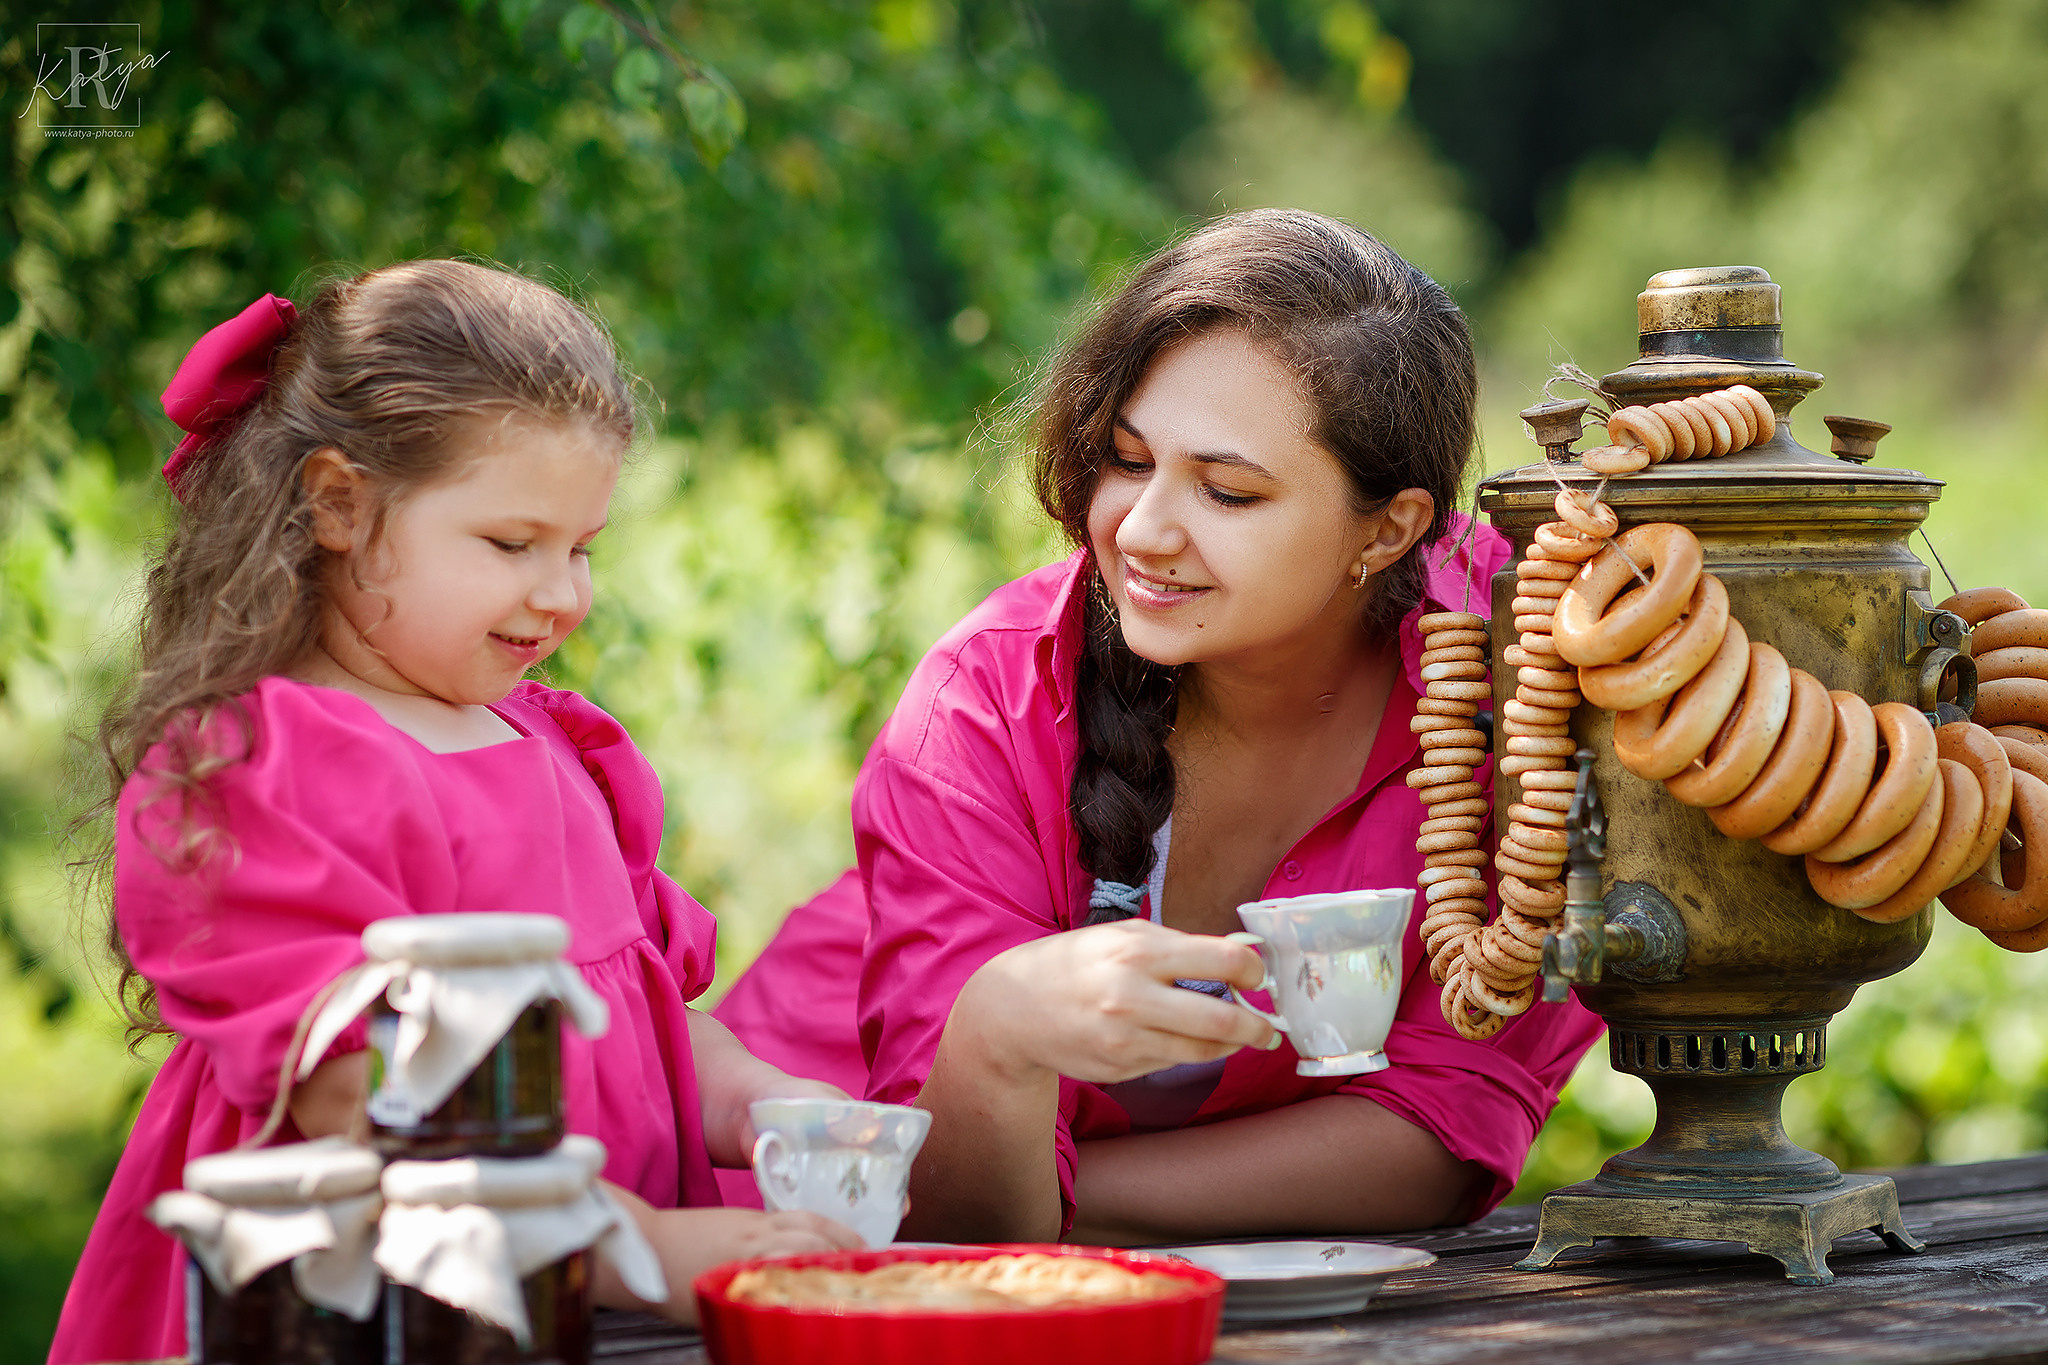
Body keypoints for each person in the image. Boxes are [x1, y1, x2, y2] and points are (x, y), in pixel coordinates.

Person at [715, 209, 1605, 1243]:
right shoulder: (992, 696)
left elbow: (1442, 1134)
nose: (1138, 531)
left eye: (1225, 491)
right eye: (1128, 460)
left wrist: (1053, 1193)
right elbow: (955, 1209)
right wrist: (993, 1043)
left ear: (1390, 526)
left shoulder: (1524, 691)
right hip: (784, 1240)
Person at [50, 262, 859, 1364]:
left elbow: (651, 1017)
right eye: (510, 544)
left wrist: (768, 1107)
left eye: (582, 550)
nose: (561, 593)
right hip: (356, 1317)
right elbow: (376, 1112)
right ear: (340, 504)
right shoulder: (263, 773)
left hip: (591, 1312)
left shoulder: (556, 745)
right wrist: (644, 1249)